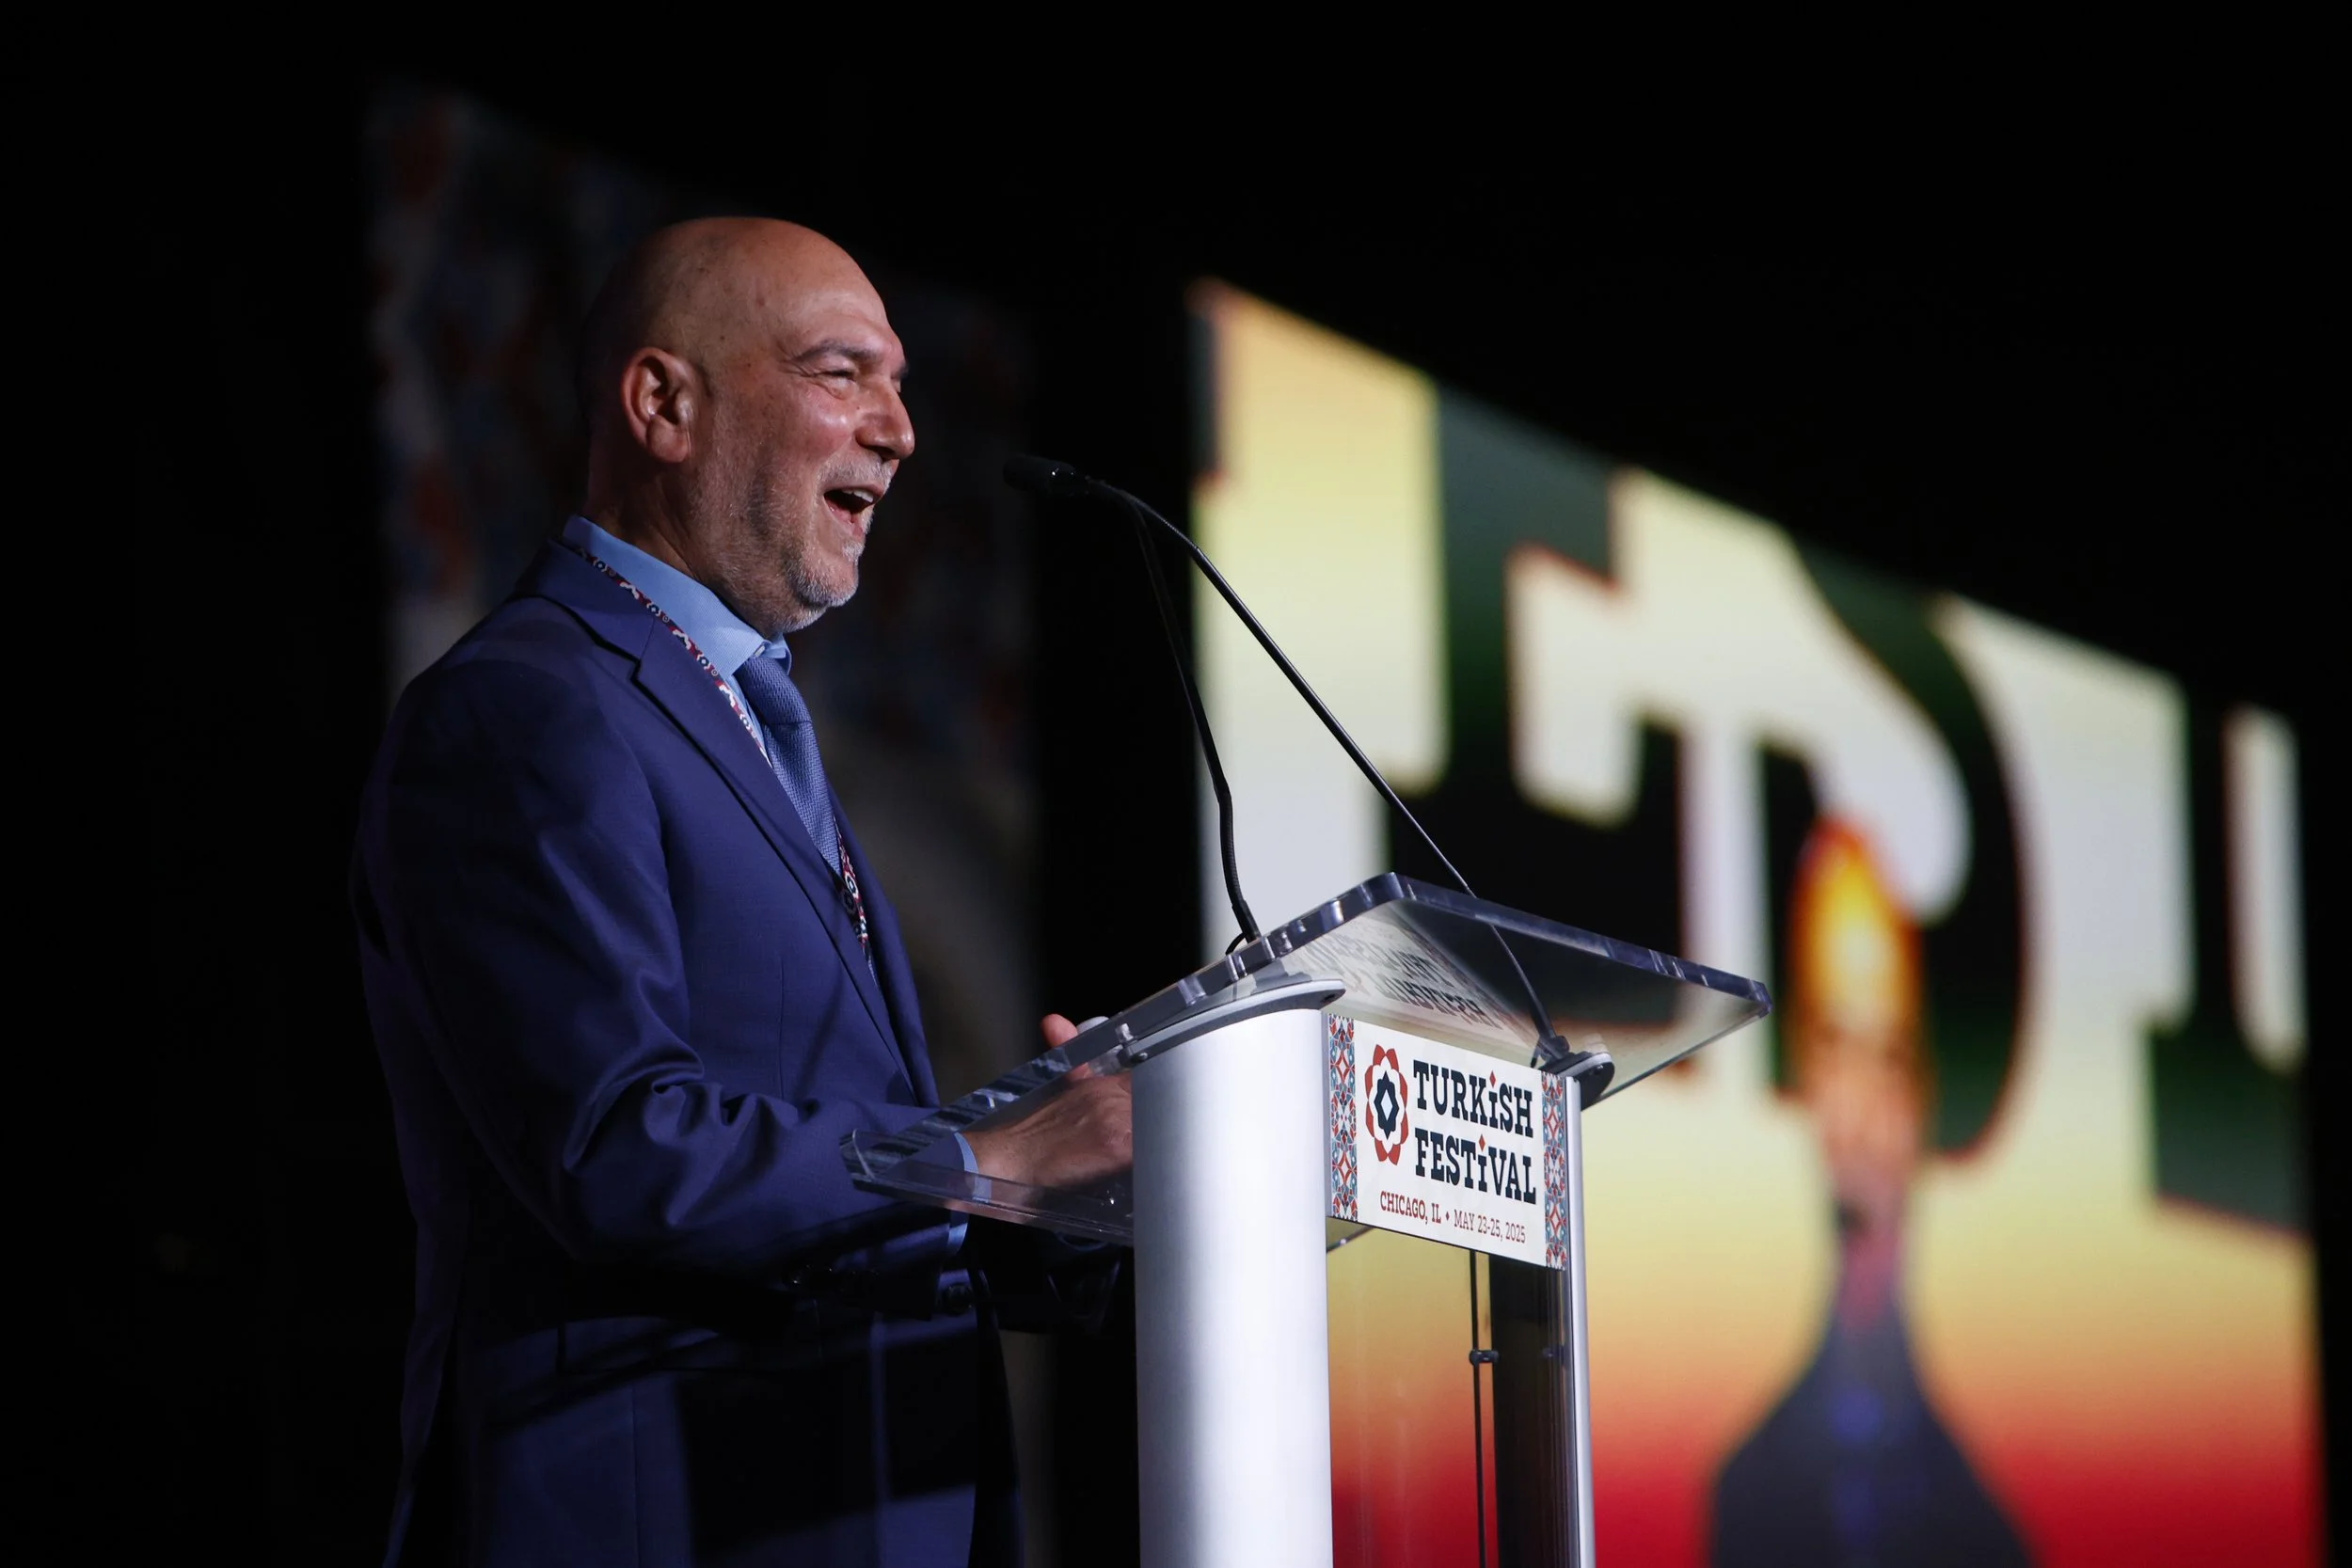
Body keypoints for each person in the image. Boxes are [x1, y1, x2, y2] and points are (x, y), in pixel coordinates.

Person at [352, 217, 1131, 1567]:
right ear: (664, 403)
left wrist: (1067, 1186)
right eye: (842, 373)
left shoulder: (756, 724)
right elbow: (614, 1144)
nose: (897, 429)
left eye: (899, 383)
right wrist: (976, 1157)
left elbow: (833, 1194)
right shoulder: (526, 707)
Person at [1710, 819, 2029, 1568]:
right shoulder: (1747, 1492)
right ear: (1805, 1074)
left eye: (1885, 1056)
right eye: (1835, 1046)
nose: (1861, 1110)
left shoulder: (1988, 1533)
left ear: (1924, 1091)